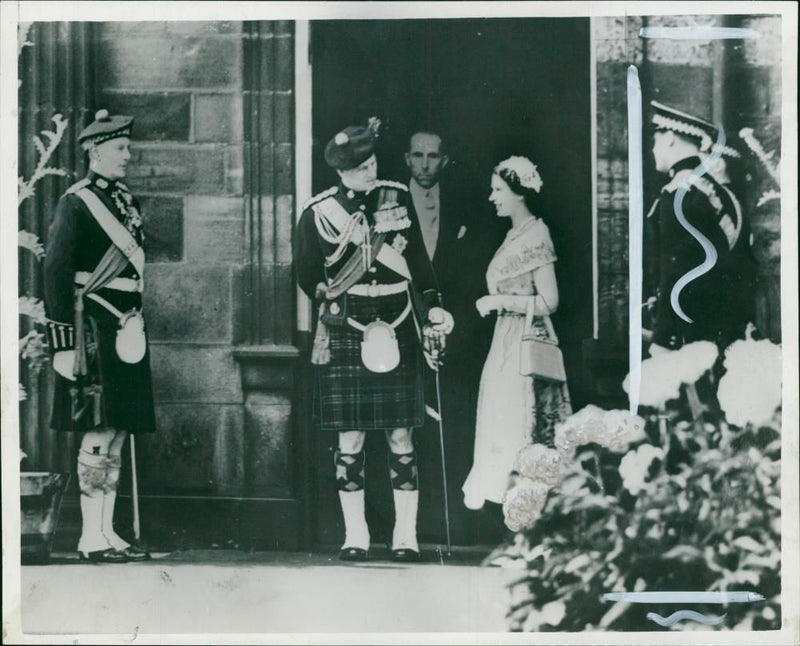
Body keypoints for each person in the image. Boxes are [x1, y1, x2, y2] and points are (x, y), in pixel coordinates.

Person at [295, 123, 454, 562]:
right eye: (361, 168)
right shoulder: (318, 212)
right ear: (341, 172)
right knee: (351, 438)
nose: (370, 172)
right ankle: (356, 535)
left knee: (401, 435)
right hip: (348, 328)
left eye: (372, 164)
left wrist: (433, 303)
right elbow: (307, 273)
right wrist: (326, 299)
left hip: (398, 321)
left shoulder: (395, 197)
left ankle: (406, 535)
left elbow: (417, 258)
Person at [43, 109, 155, 563]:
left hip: (125, 322)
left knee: (117, 430)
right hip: (91, 324)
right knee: (97, 429)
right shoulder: (76, 201)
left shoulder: (125, 200)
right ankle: (91, 536)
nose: (128, 155)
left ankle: (108, 531)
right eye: (120, 148)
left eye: (127, 147)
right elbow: (54, 271)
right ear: (95, 150)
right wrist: (62, 342)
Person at [462, 156, 572, 511]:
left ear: (519, 194)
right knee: (502, 424)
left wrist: (499, 301)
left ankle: (529, 516)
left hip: (527, 342)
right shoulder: (514, 235)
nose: (492, 197)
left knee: (521, 426)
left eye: (499, 190)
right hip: (505, 341)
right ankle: (514, 516)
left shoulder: (537, 235)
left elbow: (550, 300)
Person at [403, 129, 496, 543]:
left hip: (453, 333)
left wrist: (450, 322)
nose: (425, 164)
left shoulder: (465, 207)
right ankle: (408, 522)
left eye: (433, 156)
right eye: (418, 156)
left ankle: (450, 524)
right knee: (405, 429)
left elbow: (475, 272)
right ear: (407, 159)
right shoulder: (389, 203)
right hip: (403, 332)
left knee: (453, 423)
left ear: (445, 160)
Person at [643, 101, 758, 355]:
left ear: (670, 137)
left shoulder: (678, 193)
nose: (653, 149)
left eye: (655, 140)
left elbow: (678, 272)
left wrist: (664, 338)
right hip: (726, 332)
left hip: (690, 337)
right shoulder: (719, 192)